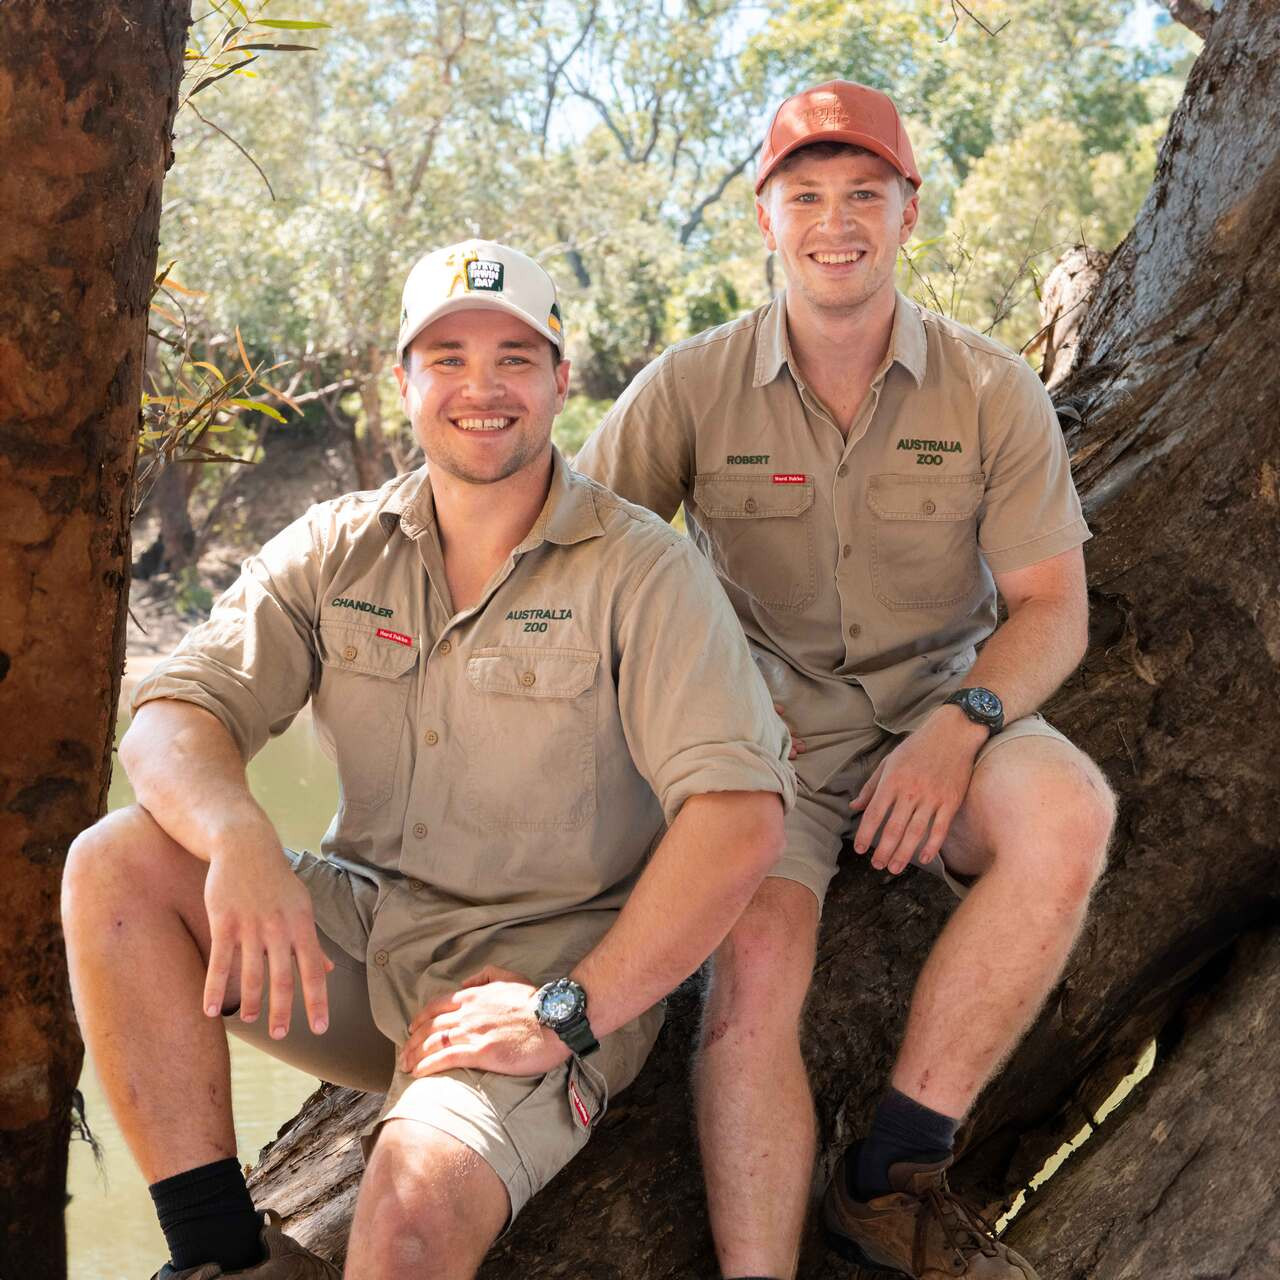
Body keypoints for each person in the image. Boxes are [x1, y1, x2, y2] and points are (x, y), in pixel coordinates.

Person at [62, 240, 795, 1280]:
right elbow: (171, 713)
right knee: (116, 859)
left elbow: (738, 817)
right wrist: (238, 840)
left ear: (558, 380)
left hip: (542, 972)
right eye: (446, 357)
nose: (480, 388)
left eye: (513, 358)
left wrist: (570, 1006)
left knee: (404, 1221)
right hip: (363, 941)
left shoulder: (641, 567)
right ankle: (222, 1257)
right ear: (400, 381)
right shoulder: (336, 546)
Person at [574, 81, 1115, 1280]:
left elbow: (1049, 609)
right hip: (765, 749)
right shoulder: (687, 387)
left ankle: (890, 1176)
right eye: (804, 194)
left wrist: (960, 724)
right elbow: (581, 578)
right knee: (752, 977)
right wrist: (700, 705)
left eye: (862, 193)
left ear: (907, 213)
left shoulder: (988, 390)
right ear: (763, 216)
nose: (835, 220)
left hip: (942, 706)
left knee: (1068, 811)